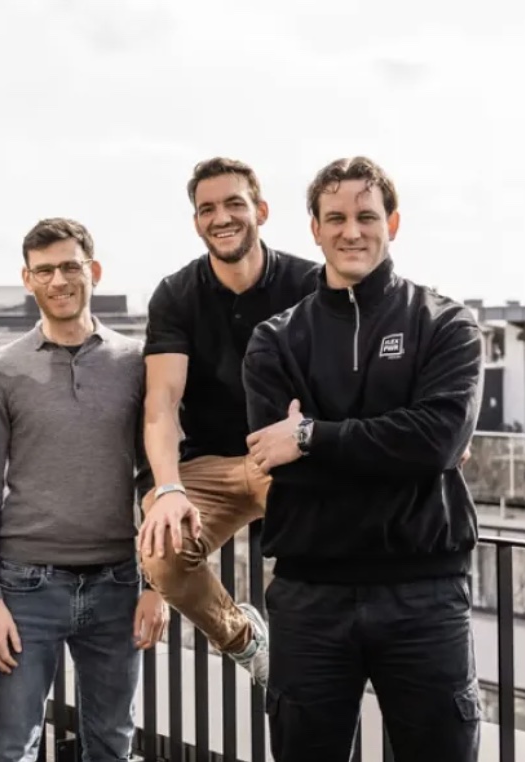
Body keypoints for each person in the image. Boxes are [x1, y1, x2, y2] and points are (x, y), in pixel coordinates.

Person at [242, 156, 485, 762]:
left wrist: (310, 436)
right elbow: (276, 458)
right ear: (315, 229)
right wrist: (395, 446)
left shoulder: (446, 325)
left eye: (367, 216)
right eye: (336, 217)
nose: (352, 231)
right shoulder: (275, 340)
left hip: (424, 594)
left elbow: (437, 441)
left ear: (393, 223)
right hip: (310, 598)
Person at [0, 217, 168, 762]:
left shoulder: (135, 363)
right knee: (13, 745)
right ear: (28, 279)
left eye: (69, 266)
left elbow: (156, 477)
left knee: (113, 743)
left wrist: (157, 583)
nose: (58, 280)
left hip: (116, 585)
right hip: (25, 587)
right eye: (44, 270)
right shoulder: (1, 371)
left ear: (93, 271)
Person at [136, 157, 319, 687]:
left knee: (331, 541)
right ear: (196, 222)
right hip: (210, 464)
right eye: (207, 209)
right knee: (161, 554)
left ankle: (321, 660)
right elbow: (162, 402)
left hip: (285, 460)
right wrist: (167, 487)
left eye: (234, 203)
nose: (222, 217)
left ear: (260, 210)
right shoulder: (176, 294)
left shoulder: (310, 284)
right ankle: (243, 638)